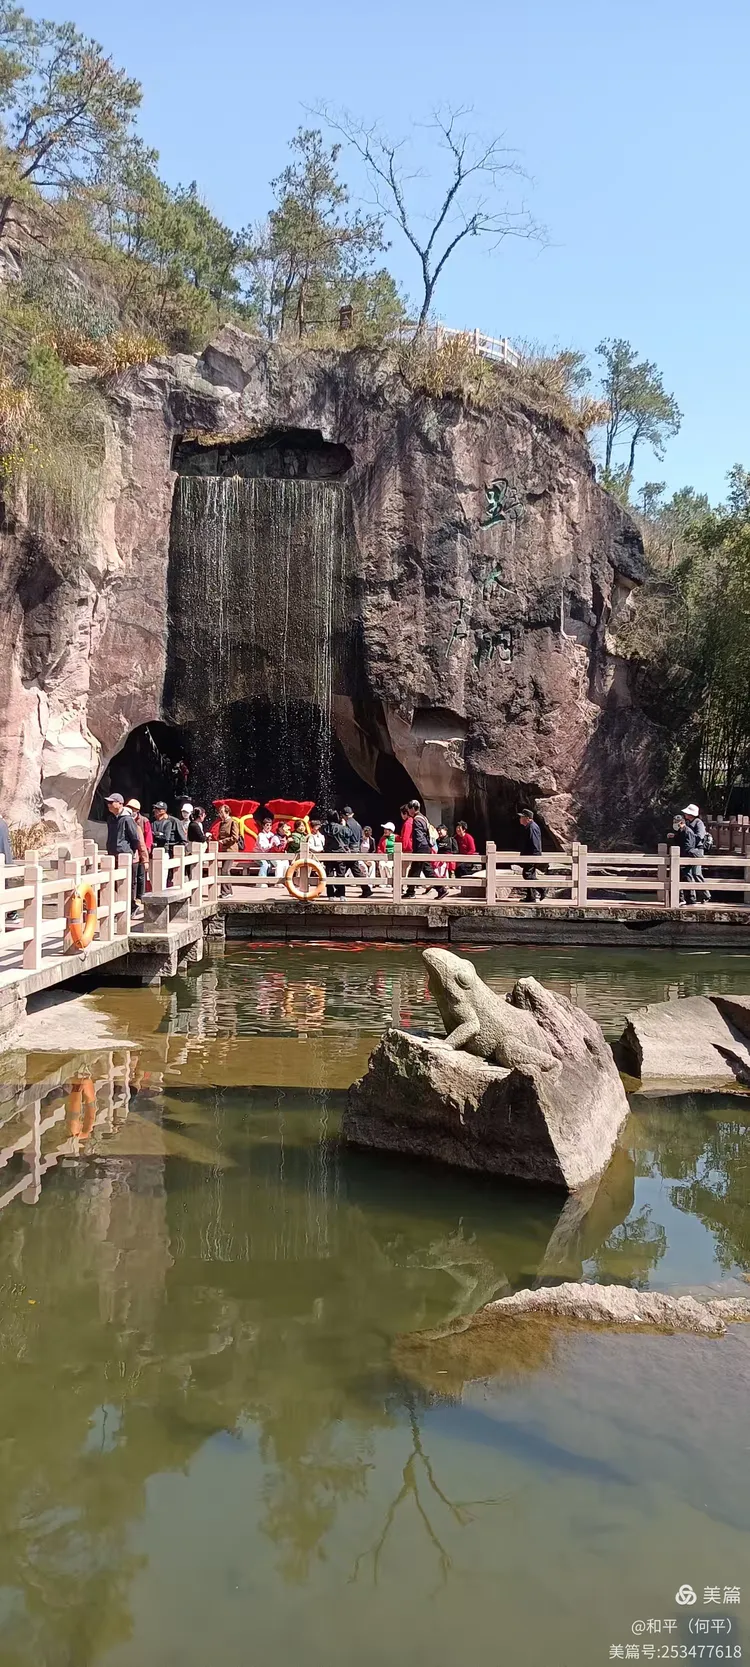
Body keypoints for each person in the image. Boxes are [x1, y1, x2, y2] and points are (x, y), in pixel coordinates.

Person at [125, 798, 153, 913]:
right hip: (133, 852)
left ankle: (140, 896)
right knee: (133, 877)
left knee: (141, 876)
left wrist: (146, 851)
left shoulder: (143, 820)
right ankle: (132, 899)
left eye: (133, 809)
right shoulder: (126, 819)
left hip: (142, 851)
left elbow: (147, 836)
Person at [152, 800, 188, 888]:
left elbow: (183, 840)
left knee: (172, 875)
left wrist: (179, 852)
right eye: (155, 808)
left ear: (163, 811)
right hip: (160, 850)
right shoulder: (154, 822)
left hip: (173, 850)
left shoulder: (174, 821)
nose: (155, 810)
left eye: (158, 809)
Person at [403, 798, 435, 897]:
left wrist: (416, 851)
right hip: (426, 847)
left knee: (414, 871)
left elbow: (419, 837)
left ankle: (410, 892)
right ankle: (441, 889)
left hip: (421, 848)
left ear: (412, 808)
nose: (408, 811)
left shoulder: (416, 820)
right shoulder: (423, 818)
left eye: (409, 809)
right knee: (427, 870)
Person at [681, 803, 712, 902]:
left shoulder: (699, 823)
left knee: (696, 873)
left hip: (698, 850)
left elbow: (699, 836)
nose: (685, 814)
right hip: (689, 850)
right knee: (687, 873)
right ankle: (691, 897)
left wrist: (687, 830)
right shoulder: (688, 823)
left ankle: (706, 895)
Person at [667, 813, 699, 905]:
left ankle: (691, 899)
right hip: (680, 857)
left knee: (687, 877)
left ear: (681, 822)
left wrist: (682, 856)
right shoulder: (681, 831)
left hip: (686, 857)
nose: (675, 824)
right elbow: (680, 840)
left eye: (676, 823)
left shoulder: (688, 831)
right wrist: (674, 836)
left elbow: (688, 846)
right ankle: (681, 898)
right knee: (679, 877)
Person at [342, 805, 372, 897]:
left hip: (349, 849)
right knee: (353, 869)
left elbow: (346, 837)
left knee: (345, 869)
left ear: (344, 815)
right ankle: (366, 889)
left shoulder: (347, 824)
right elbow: (360, 838)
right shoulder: (358, 824)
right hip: (356, 848)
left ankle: (338, 890)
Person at [320, 808, 349, 897]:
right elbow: (348, 834)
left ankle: (330, 895)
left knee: (329, 874)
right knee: (341, 874)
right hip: (340, 852)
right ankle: (342, 894)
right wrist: (344, 825)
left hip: (328, 852)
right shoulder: (341, 828)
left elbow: (321, 831)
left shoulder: (324, 828)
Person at [517, 808, 542, 902]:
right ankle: (530, 896)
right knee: (529, 874)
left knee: (527, 874)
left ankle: (542, 889)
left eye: (521, 817)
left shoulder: (532, 827)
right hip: (529, 855)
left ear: (527, 818)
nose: (520, 819)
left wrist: (533, 856)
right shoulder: (529, 827)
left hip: (532, 855)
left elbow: (535, 842)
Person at [0, 810, 19, 924]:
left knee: (5, 887)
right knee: (6, 887)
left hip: (2, 861)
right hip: (5, 860)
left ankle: (12, 913)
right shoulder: (3, 823)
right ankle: (12, 913)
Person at [435, 824, 458, 898]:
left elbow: (456, 850)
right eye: (438, 830)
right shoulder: (437, 841)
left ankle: (452, 885)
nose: (439, 832)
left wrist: (449, 856)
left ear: (445, 830)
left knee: (451, 873)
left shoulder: (451, 840)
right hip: (439, 861)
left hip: (449, 860)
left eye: (440, 830)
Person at [256, 814, 278, 879]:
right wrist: (271, 845)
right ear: (263, 826)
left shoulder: (272, 835)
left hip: (267, 855)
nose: (269, 827)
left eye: (270, 825)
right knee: (264, 864)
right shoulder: (261, 835)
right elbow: (262, 848)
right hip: (259, 854)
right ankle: (260, 881)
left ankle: (266, 879)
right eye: (267, 825)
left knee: (270, 865)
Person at [376, 821, 396, 886]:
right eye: (384, 829)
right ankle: (383, 882)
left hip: (393, 856)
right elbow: (379, 848)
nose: (384, 831)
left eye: (386, 829)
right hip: (384, 856)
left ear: (391, 831)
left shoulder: (396, 837)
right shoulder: (383, 838)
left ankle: (389, 882)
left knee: (388, 866)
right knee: (381, 865)